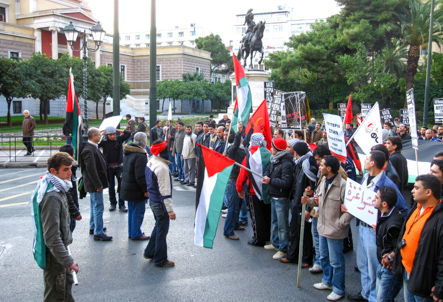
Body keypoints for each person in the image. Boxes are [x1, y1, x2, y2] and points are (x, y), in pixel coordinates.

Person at [347, 151, 407, 302]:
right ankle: (366, 293)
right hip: (362, 226)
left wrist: (385, 224)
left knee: (374, 268)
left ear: (373, 163)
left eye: (367, 159)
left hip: (374, 231)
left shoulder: (387, 184)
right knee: (363, 264)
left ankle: (374, 297)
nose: (364, 161)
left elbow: (403, 209)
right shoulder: (366, 178)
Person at [302, 155, 352, 301]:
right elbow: (317, 201)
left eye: (322, 165)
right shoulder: (323, 181)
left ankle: (338, 289)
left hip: (334, 230)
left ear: (329, 168)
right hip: (321, 226)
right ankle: (327, 281)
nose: (319, 167)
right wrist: (309, 201)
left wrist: (339, 224)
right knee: (323, 256)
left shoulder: (343, 185)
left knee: (336, 261)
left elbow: (350, 210)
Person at [389, 175, 443, 301]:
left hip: (424, 281)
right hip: (408, 273)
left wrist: (440, 288)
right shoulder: (416, 208)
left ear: (428, 192)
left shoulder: (440, 218)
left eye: (416, 188)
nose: (412, 191)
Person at [38, 152, 78, 301]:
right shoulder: (52, 196)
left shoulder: (58, 187)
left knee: (64, 291)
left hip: (60, 254)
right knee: (56, 295)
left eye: (71, 168)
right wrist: (68, 261)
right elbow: (52, 237)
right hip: (55, 257)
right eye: (66, 169)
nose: (70, 173)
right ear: (53, 171)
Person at [281, 141, 317, 267]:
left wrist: (308, 208)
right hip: (296, 202)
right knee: (294, 230)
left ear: (297, 152)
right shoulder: (299, 163)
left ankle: (307, 259)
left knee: (305, 231)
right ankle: (293, 255)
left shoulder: (308, 166)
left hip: (303, 204)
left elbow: (311, 189)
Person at [144, 139, 176, 267]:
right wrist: (170, 210)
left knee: (158, 227)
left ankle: (150, 251)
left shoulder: (152, 161)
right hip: (159, 202)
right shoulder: (162, 167)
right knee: (162, 230)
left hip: (153, 200)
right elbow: (165, 191)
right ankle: (160, 259)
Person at [261, 138, 294, 260]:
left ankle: (283, 248)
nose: (270, 148)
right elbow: (268, 171)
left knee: (282, 225)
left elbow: (286, 183)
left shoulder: (286, 163)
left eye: (272, 146)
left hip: (281, 198)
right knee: (274, 222)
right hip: (273, 195)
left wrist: (270, 181)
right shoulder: (274, 160)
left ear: (277, 149)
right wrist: (266, 176)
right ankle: (275, 243)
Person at [237, 133, 271, 246]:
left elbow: (242, 174)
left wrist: (239, 189)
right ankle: (267, 236)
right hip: (268, 191)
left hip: (253, 190)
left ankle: (258, 238)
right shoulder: (269, 153)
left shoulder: (249, 156)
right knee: (267, 214)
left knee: (256, 216)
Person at [80, 127, 112, 241]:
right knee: (98, 206)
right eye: (99, 135)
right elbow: (91, 169)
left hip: (94, 183)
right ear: (93, 136)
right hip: (94, 184)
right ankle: (98, 232)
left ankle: (94, 226)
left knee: (95, 205)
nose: (100, 136)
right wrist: (98, 184)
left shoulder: (91, 147)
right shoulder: (89, 149)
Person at [373, 186, 404, 302]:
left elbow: (400, 247)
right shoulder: (385, 215)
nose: (374, 200)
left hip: (390, 270)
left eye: (376, 198)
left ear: (384, 204)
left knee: (383, 299)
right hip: (383, 265)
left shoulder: (394, 224)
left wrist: (389, 257)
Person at [121, 132, 150, 240]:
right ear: (143, 142)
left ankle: (132, 231)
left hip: (128, 186)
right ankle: (136, 233)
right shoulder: (140, 155)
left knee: (132, 211)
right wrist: (145, 189)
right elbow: (140, 176)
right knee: (138, 212)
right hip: (136, 189)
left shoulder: (128, 152)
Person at [98, 126, 131, 212]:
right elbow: (96, 144)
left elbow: (128, 133)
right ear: (107, 135)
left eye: (113, 134)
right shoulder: (104, 142)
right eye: (110, 135)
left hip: (119, 166)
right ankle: (113, 203)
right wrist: (100, 134)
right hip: (109, 167)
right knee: (111, 186)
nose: (112, 136)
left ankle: (122, 204)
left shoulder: (118, 140)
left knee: (121, 186)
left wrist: (117, 130)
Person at [224, 123, 247, 240]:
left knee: (238, 204)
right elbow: (237, 144)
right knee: (233, 207)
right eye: (240, 138)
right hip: (233, 180)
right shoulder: (232, 149)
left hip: (241, 180)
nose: (242, 140)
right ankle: (228, 230)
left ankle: (236, 223)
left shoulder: (244, 149)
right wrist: (238, 132)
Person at [59, 144, 81, 233]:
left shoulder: (68, 170)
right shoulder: (65, 176)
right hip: (67, 212)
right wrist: (75, 212)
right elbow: (69, 196)